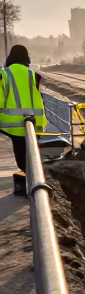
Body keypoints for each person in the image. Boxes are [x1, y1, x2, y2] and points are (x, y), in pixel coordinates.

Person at [0, 46, 47, 196]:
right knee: (33, 156)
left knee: (23, 158)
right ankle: (34, 186)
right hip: (35, 122)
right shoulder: (33, 74)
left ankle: (31, 189)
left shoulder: (4, 74)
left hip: (14, 125)